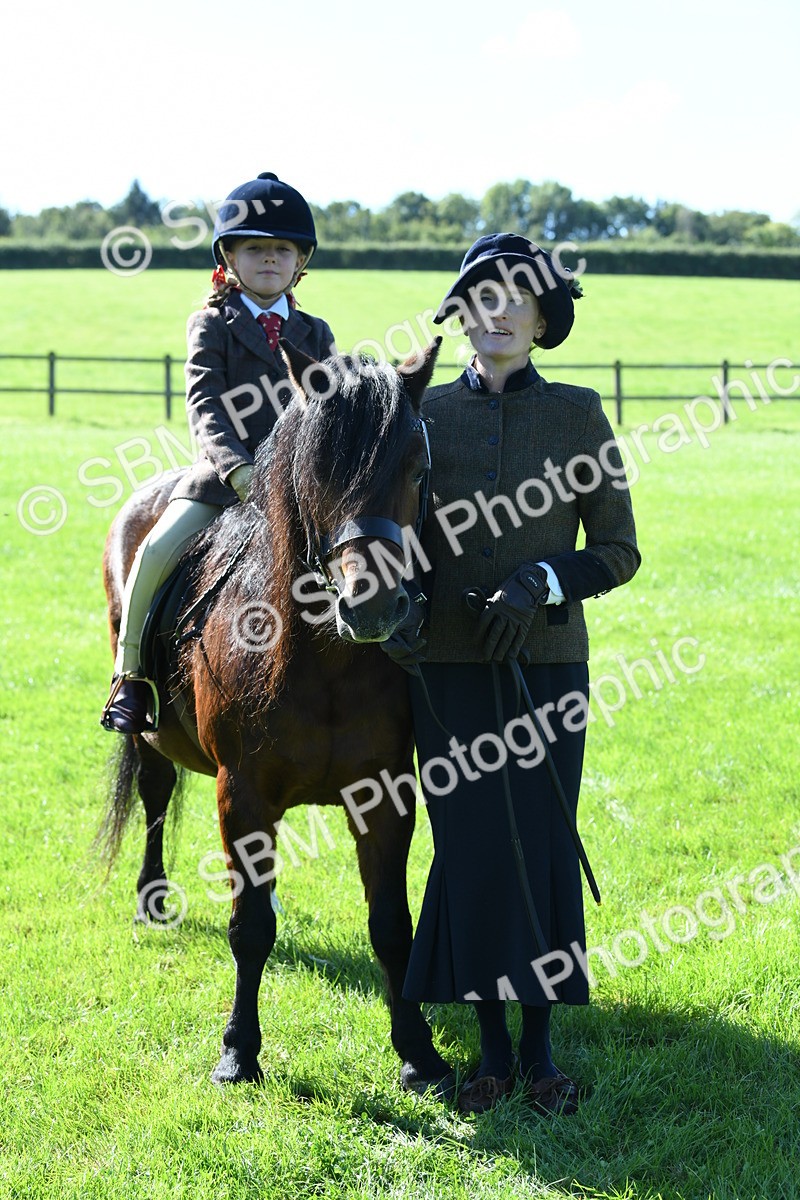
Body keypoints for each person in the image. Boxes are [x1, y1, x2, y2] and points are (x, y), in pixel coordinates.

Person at [386, 234, 640, 1115]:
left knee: (537, 847)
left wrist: (543, 580)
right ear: (459, 315)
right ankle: (489, 1049)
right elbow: (394, 538)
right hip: (444, 671)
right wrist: (398, 619)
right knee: (469, 851)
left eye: (515, 300)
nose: (495, 313)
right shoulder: (418, 420)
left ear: (542, 319)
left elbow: (619, 550)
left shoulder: (578, 413)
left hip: (546, 671)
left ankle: (541, 1052)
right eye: (479, 298)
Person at [101, 172, 336, 734]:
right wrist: (238, 469)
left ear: (300, 261)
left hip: (300, 489)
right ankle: (131, 677)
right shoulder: (211, 324)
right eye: (255, 249)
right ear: (229, 256)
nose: (269, 260)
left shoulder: (316, 331)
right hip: (223, 482)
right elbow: (205, 402)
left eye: (282, 250)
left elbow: (329, 410)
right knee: (154, 549)